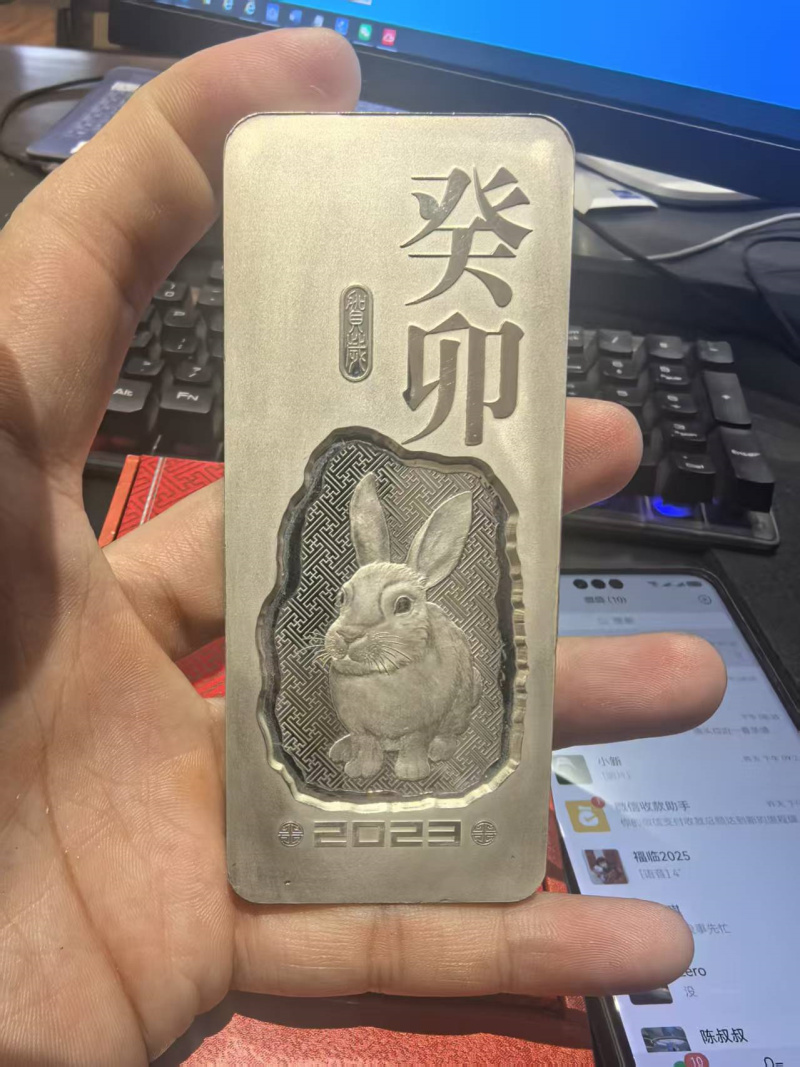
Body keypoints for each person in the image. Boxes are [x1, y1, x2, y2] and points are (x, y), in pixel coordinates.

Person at [0, 28, 727, 1065]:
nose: (353, 622)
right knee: (362, 710)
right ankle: (382, 747)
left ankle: (405, 749)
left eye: (386, 603)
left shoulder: (434, 616)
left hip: (410, 752)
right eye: (355, 600)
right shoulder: (345, 617)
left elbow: (448, 671)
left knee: (447, 703)